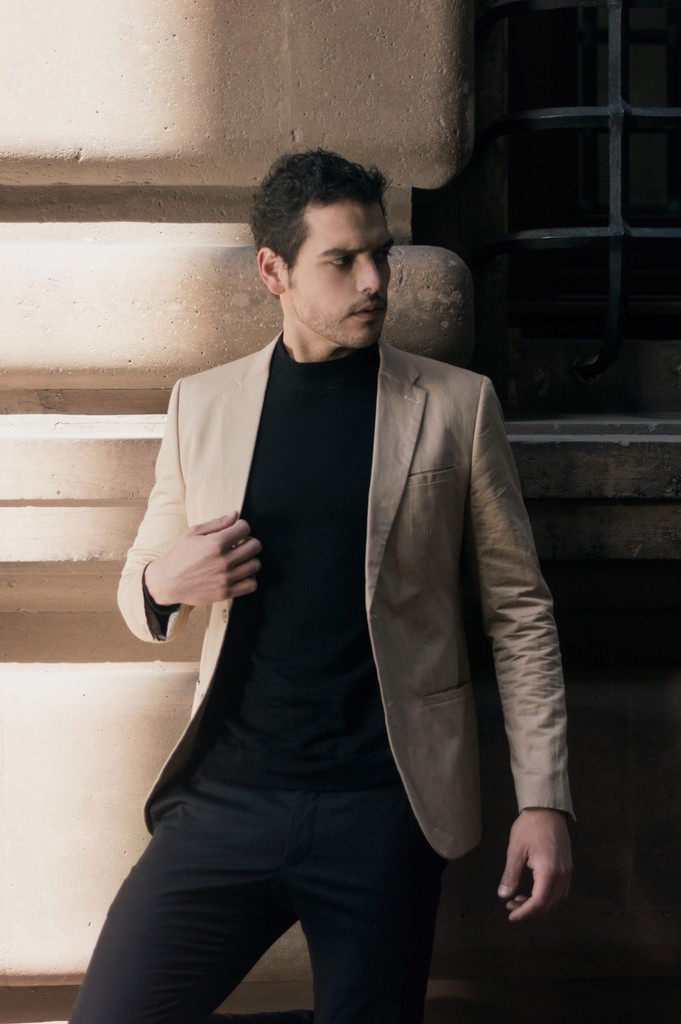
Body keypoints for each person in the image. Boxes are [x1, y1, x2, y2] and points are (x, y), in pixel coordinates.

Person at [70, 149, 573, 1024]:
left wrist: (543, 800)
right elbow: (138, 579)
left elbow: (518, 613)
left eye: (381, 255)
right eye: (342, 260)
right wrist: (163, 580)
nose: (374, 281)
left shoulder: (455, 406)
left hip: (383, 808)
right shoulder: (202, 403)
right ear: (274, 271)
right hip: (226, 799)